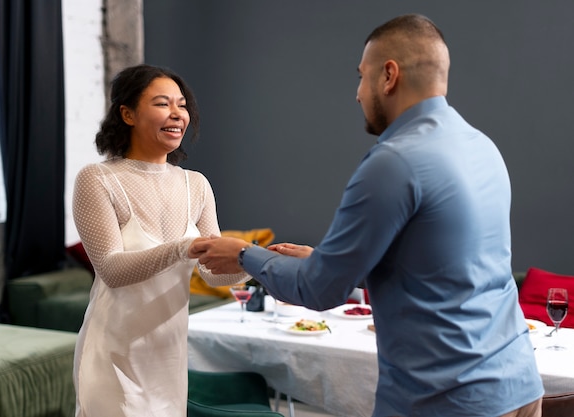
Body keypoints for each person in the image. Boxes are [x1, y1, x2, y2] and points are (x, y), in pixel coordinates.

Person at [190, 14, 544, 417]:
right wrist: (327, 262)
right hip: (518, 385)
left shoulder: (393, 162)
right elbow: (445, 266)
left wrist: (244, 255)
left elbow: (320, 291)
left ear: (388, 75)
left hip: (448, 400)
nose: (358, 93)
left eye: (361, 76)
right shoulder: (483, 147)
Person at [72, 64, 247, 417]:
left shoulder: (195, 184)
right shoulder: (98, 179)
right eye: (162, 103)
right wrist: (183, 248)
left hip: (167, 359)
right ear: (127, 113)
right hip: (114, 354)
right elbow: (111, 270)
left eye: (182, 105)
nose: (177, 114)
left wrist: (254, 260)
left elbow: (213, 273)